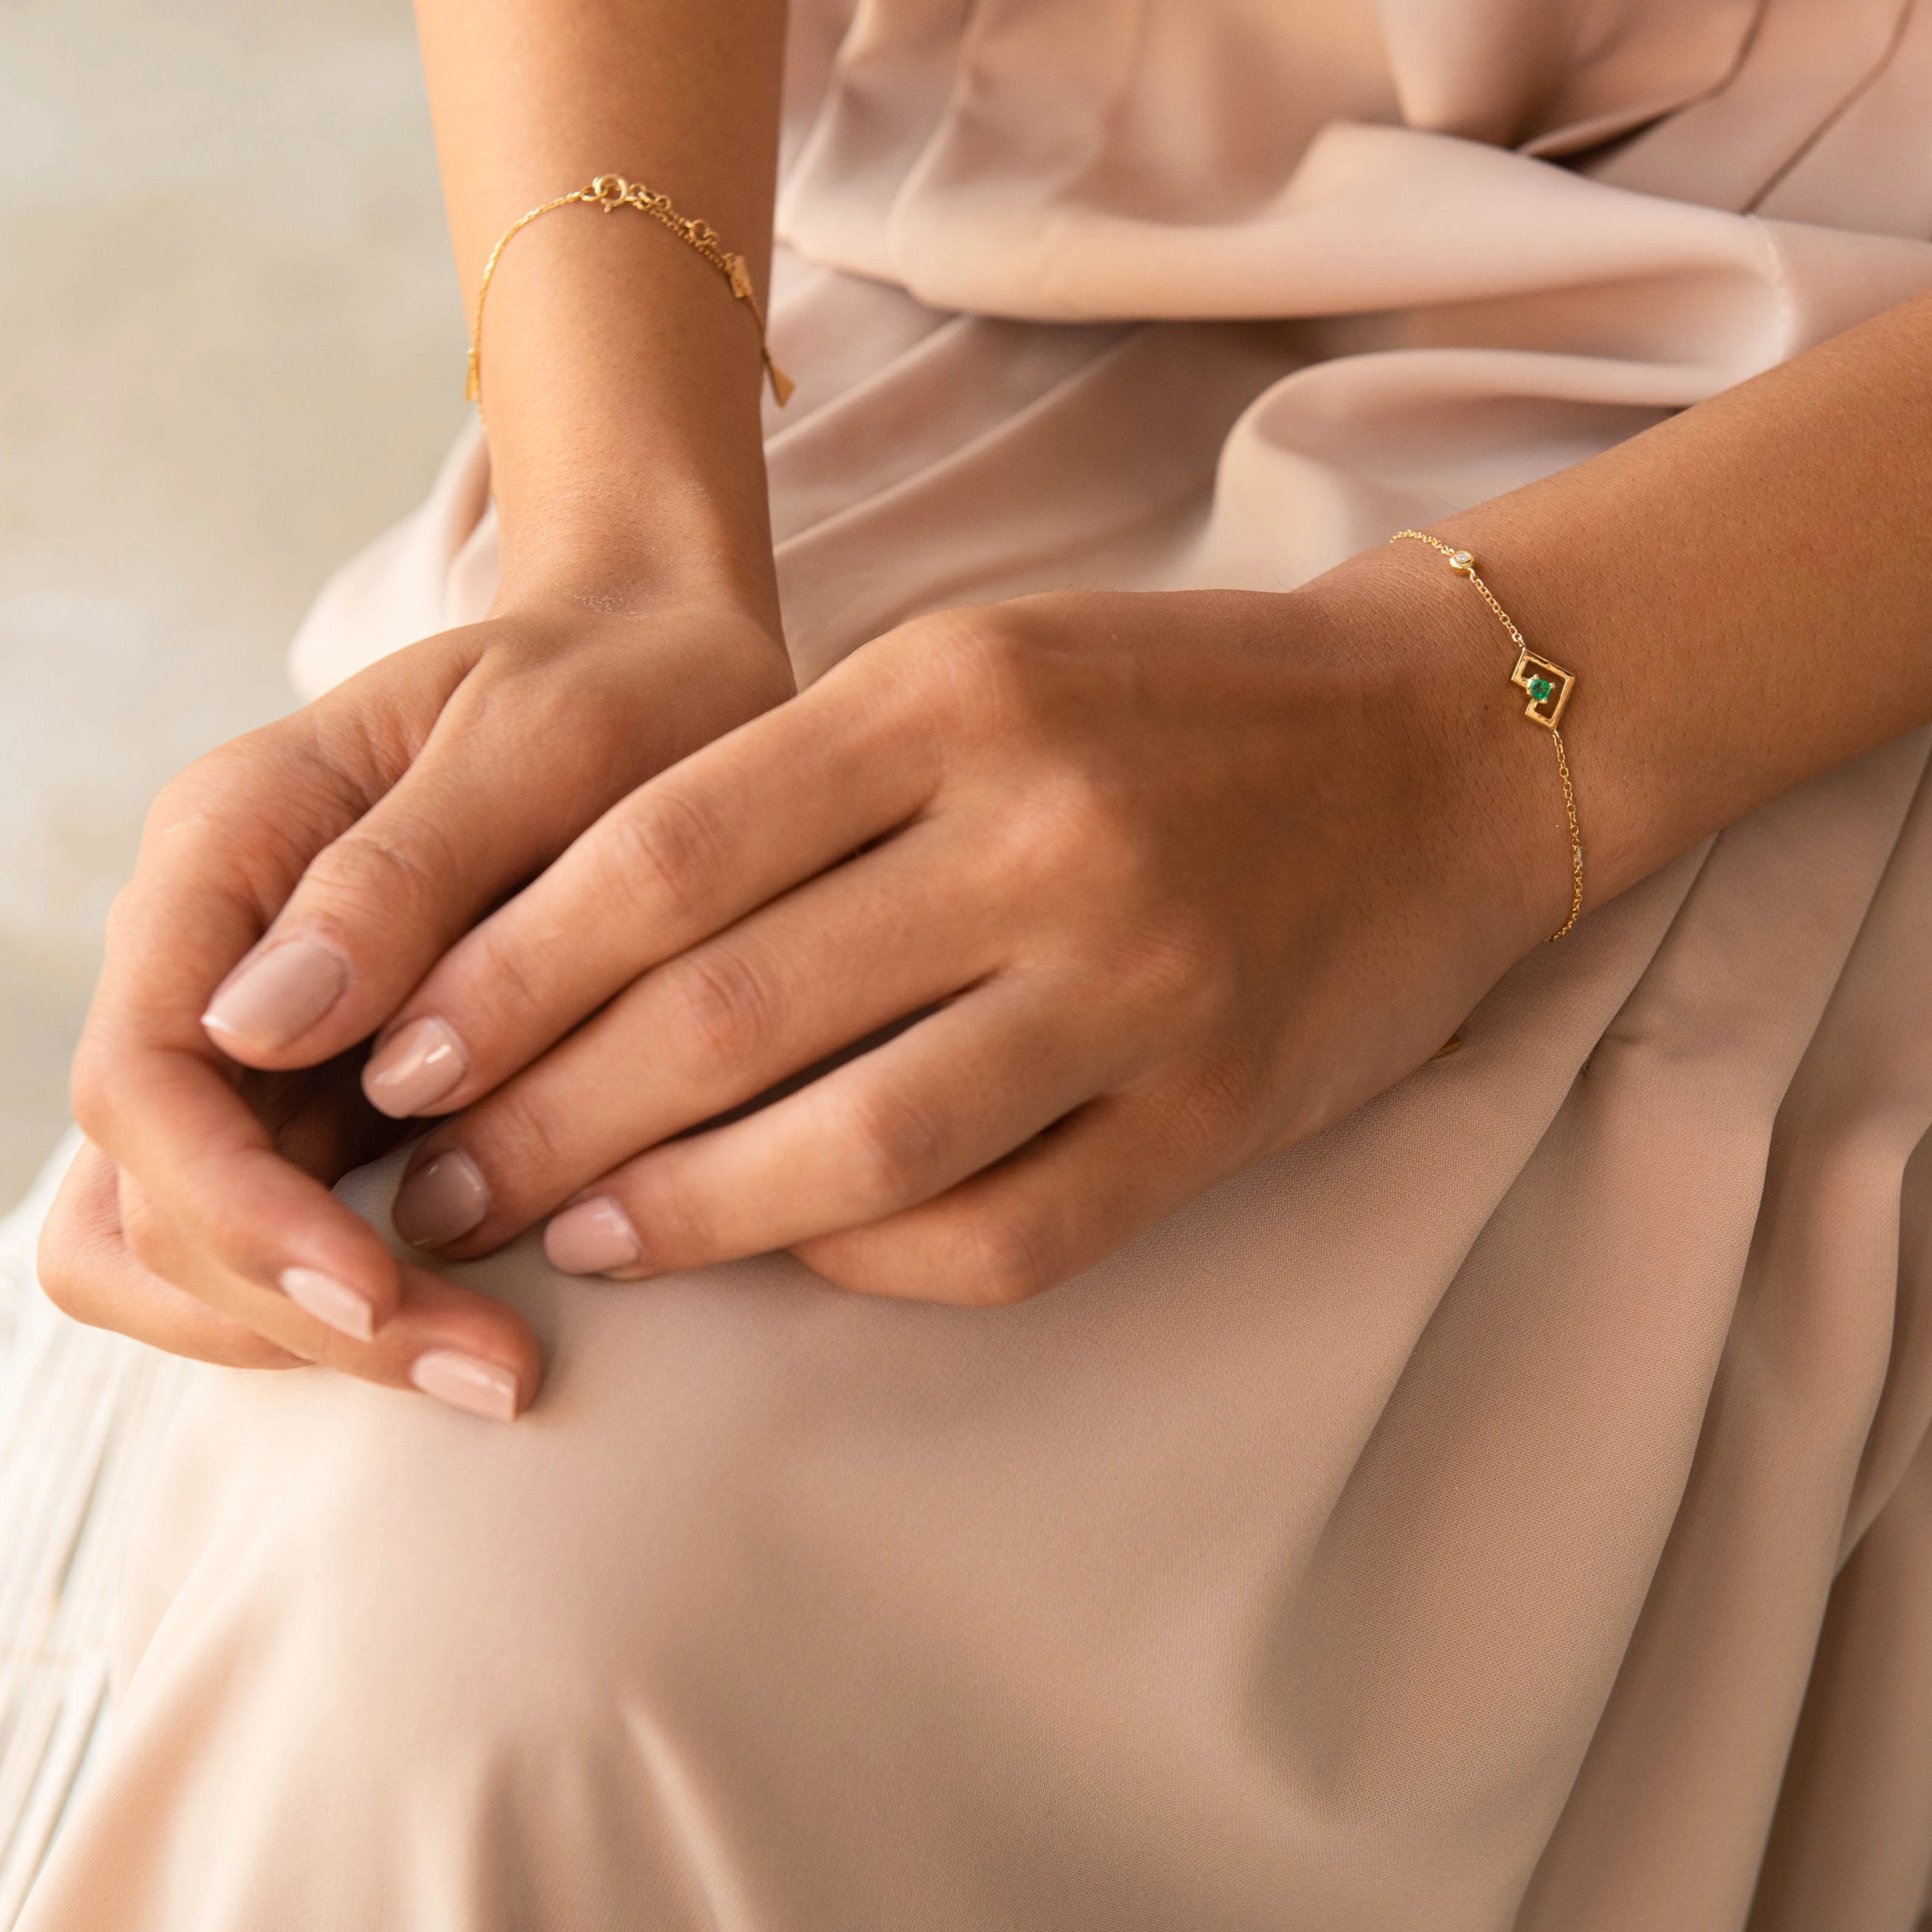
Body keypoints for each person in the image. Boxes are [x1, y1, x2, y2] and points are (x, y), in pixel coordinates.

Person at [18, 0, 1932, 1923]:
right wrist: (618, 541)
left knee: (536, 1630)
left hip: (1820, 550)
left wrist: (1461, 751)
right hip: (902, 275)